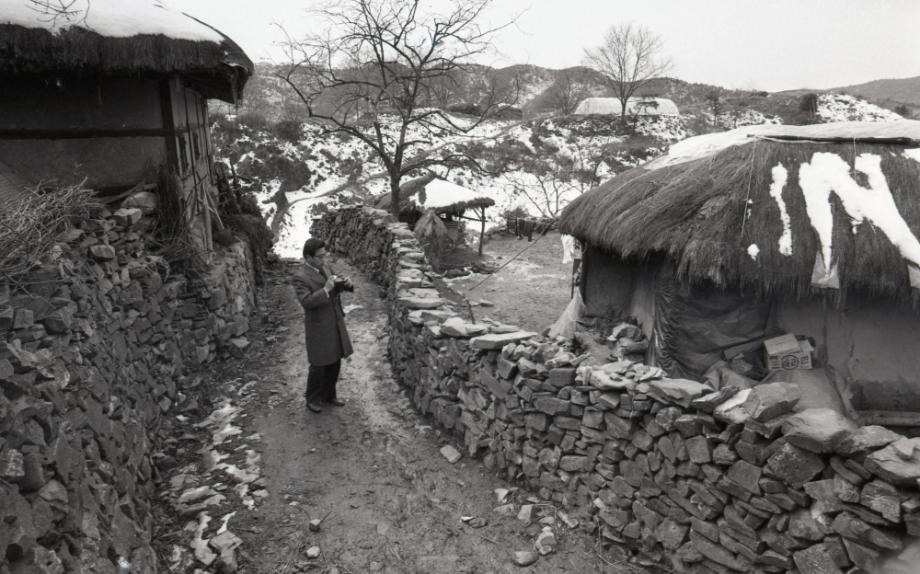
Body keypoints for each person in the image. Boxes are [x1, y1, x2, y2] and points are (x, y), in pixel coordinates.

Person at [292, 238, 354, 413]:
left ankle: (329, 395)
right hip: (318, 325)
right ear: (308, 257)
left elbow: (335, 287)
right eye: (319, 257)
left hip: (334, 320)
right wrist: (326, 289)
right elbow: (307, 302)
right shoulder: (300, 277)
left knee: (334, 360)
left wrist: (346, 285)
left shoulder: (325, 268)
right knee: (319, 363)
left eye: (324, 255)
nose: (323, 259)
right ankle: (312, 398)